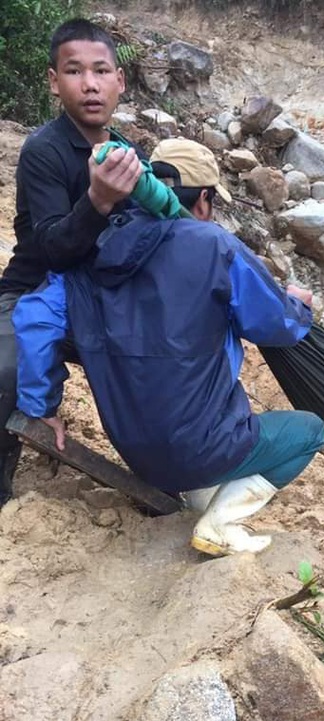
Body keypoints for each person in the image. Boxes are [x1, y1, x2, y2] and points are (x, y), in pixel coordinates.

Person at [13, 138, 324, 557]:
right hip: (201, 449)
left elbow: (33, 322)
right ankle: (221, 522)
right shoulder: (213, 246)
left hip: (137, 455)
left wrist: (41, 406)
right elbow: (277, 325)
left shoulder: (85, 258)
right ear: (203, 200)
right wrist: (298, 306)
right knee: (309, 431)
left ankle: (202, 499)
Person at [0, 17, 143, 505]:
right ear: (53, 81)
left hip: (99, 296)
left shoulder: (127, 153)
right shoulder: (44, 150)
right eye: (74, 71)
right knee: (6, 368)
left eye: (101, 71)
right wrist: (98, 201)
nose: (90, 84)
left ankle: (171, 467)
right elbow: (53, 248)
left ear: (119, 81)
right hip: (33, 288)